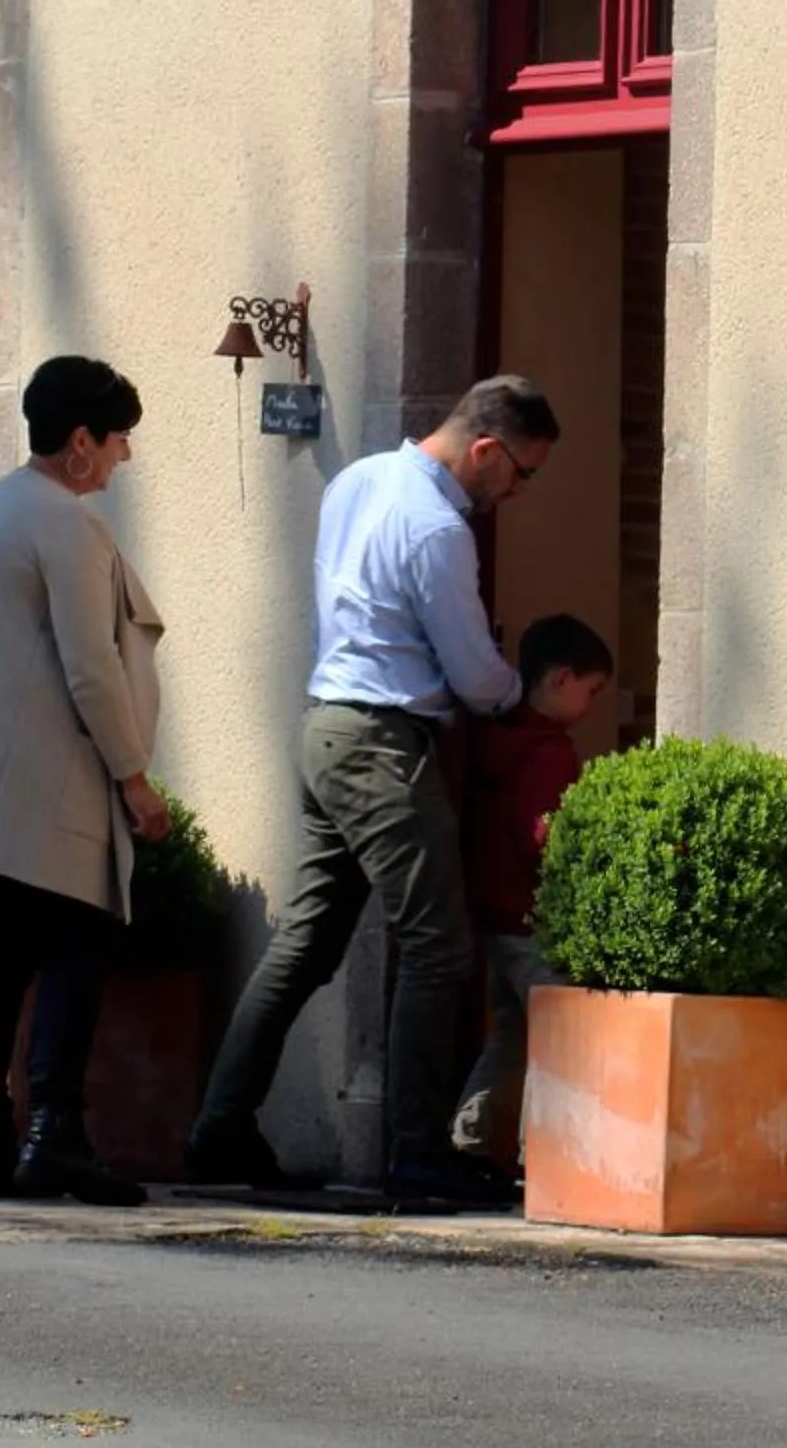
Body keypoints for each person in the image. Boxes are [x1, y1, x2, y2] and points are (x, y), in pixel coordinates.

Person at [184, 375, 557, 1206]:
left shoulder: (359, 481)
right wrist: (517, 703)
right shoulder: (437, 528)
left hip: (329, 724)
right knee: (439, 945)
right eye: (521, 474)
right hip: (384, 741)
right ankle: (418, 1155)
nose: (517, 493)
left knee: (308, 940)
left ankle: (220, 1126)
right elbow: (469, 667)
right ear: (487, 449)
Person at [0, 355, 170, 1207]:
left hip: (0, 779)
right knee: (74, 956)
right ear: (82, 442)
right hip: (53, 782)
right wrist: (133, 777)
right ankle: (55, 1137)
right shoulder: (63, 521)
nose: (125, 457)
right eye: (119, 438)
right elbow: (90, 664)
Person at [450, 613, 614, 1175]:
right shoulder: (550, 753)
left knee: (514, 1033)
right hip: (531, 919)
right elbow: (545, 834)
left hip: (493, 919)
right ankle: (541, 1155)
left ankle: (473, 1134)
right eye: (591, 690)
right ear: (562, 679)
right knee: (560, 1036)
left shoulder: (493, 740)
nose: (591, 707)